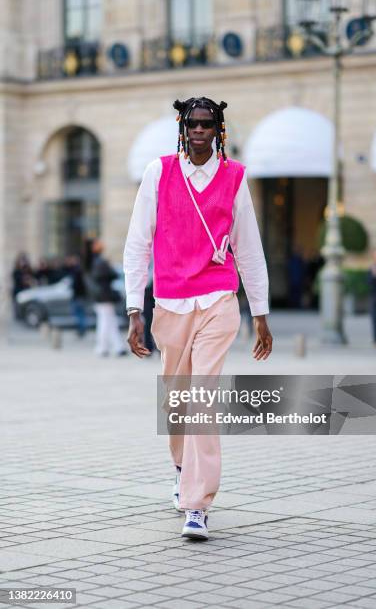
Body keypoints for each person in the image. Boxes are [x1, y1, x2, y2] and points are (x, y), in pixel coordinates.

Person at [124, 96, 272, 541]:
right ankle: (180, 467)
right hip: (170, 302)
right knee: (177, 402)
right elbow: (137, 243)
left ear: (220, 130)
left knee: (202, 401)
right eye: (193, 123)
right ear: (182, 127)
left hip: (218, 302)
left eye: (208, 124)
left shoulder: (235, 178)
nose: (199, 130)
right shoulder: (159, 172)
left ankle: (197, 505)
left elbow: (248, 249)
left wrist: (260, 314)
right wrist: (135, 309)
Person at [91, 239, 127, 357]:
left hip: (101, 296)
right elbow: (113, 274)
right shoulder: (100, 262)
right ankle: (104, 347)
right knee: (106, 322)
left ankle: (117, 347)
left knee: (109, 321)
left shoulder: (97, 261)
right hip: (104, 296)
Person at [64, 255, 88, 338]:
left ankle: (81, 330)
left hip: (78, 296)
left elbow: (76, 284)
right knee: (80, 313)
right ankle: (81, 329)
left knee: (79, 314)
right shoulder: (77, 270)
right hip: (79, 295)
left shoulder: (77, 271)